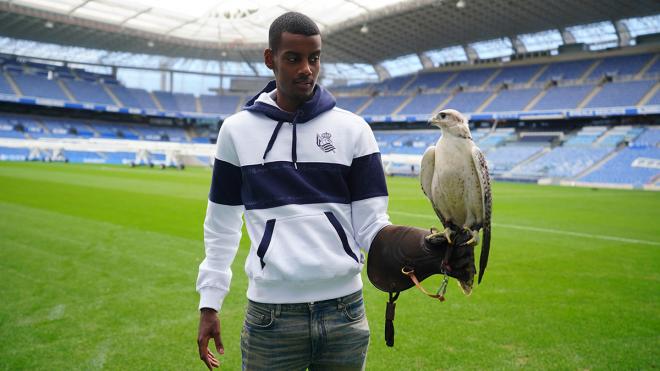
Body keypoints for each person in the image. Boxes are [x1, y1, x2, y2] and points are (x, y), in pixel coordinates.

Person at [196, 11, 474, 370]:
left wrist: (425, 248)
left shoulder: (354, 130)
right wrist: (210, 303)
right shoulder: (236, 131)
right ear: (270, 59)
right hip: (271, 317)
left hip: (345, 313)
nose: (306, 69)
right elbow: (221, 225)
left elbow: (371, 225)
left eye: (314, 58)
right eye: (293, 58)